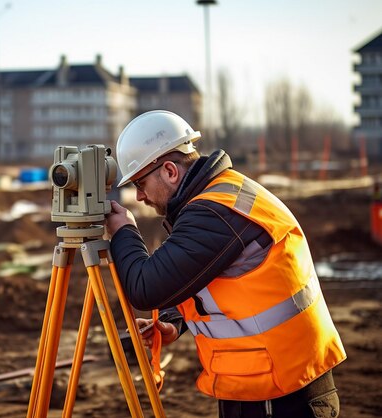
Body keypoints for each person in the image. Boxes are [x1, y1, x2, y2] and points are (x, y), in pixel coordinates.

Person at [105, 110, 346, 418]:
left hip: (281, 394)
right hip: (265, 381)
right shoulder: (219, 197)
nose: (138, 196)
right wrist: (174, 322)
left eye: (140, 183)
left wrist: (124, 231)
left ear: (169, 171)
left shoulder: (216, 211)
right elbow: (217, 277)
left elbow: (145, 287)